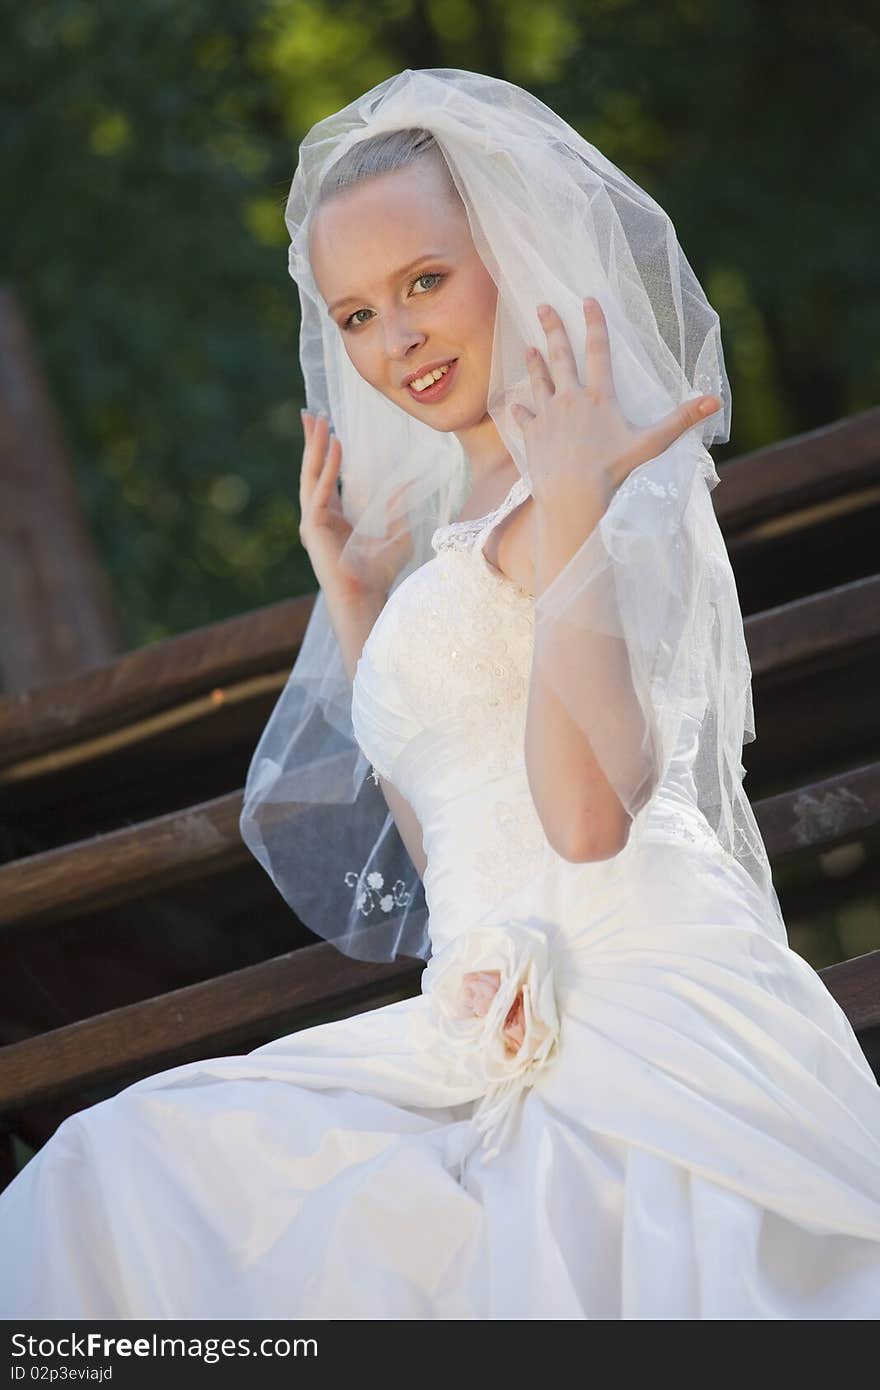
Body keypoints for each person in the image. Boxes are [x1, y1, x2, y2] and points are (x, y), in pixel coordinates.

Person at [2, 68, 880, 1321]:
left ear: (509, 253)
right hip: (470, 1022)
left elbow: (585, 820)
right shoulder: (450, 530)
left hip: (634, 1003)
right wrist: (360, 608)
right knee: (116, 1171)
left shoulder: (605, 476)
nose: (395, 339)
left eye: (423, 282)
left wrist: (574, 509)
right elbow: (448, 840)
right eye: (355, 314)